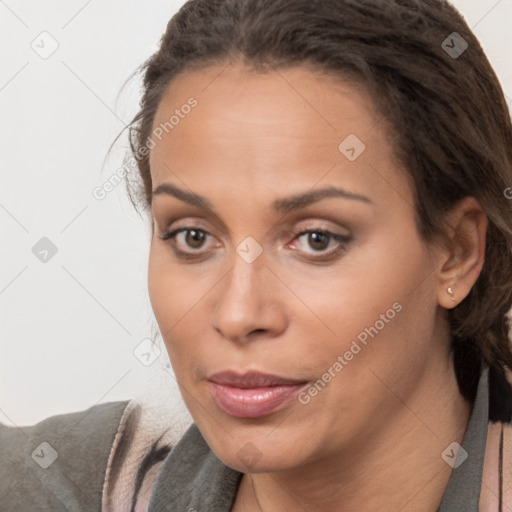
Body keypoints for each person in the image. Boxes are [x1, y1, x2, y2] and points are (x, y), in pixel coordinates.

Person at [2, 0, 512, 510]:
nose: (238, 314)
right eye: (193, 237)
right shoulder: (64, 490)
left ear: (458, 252)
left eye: (317, 239)